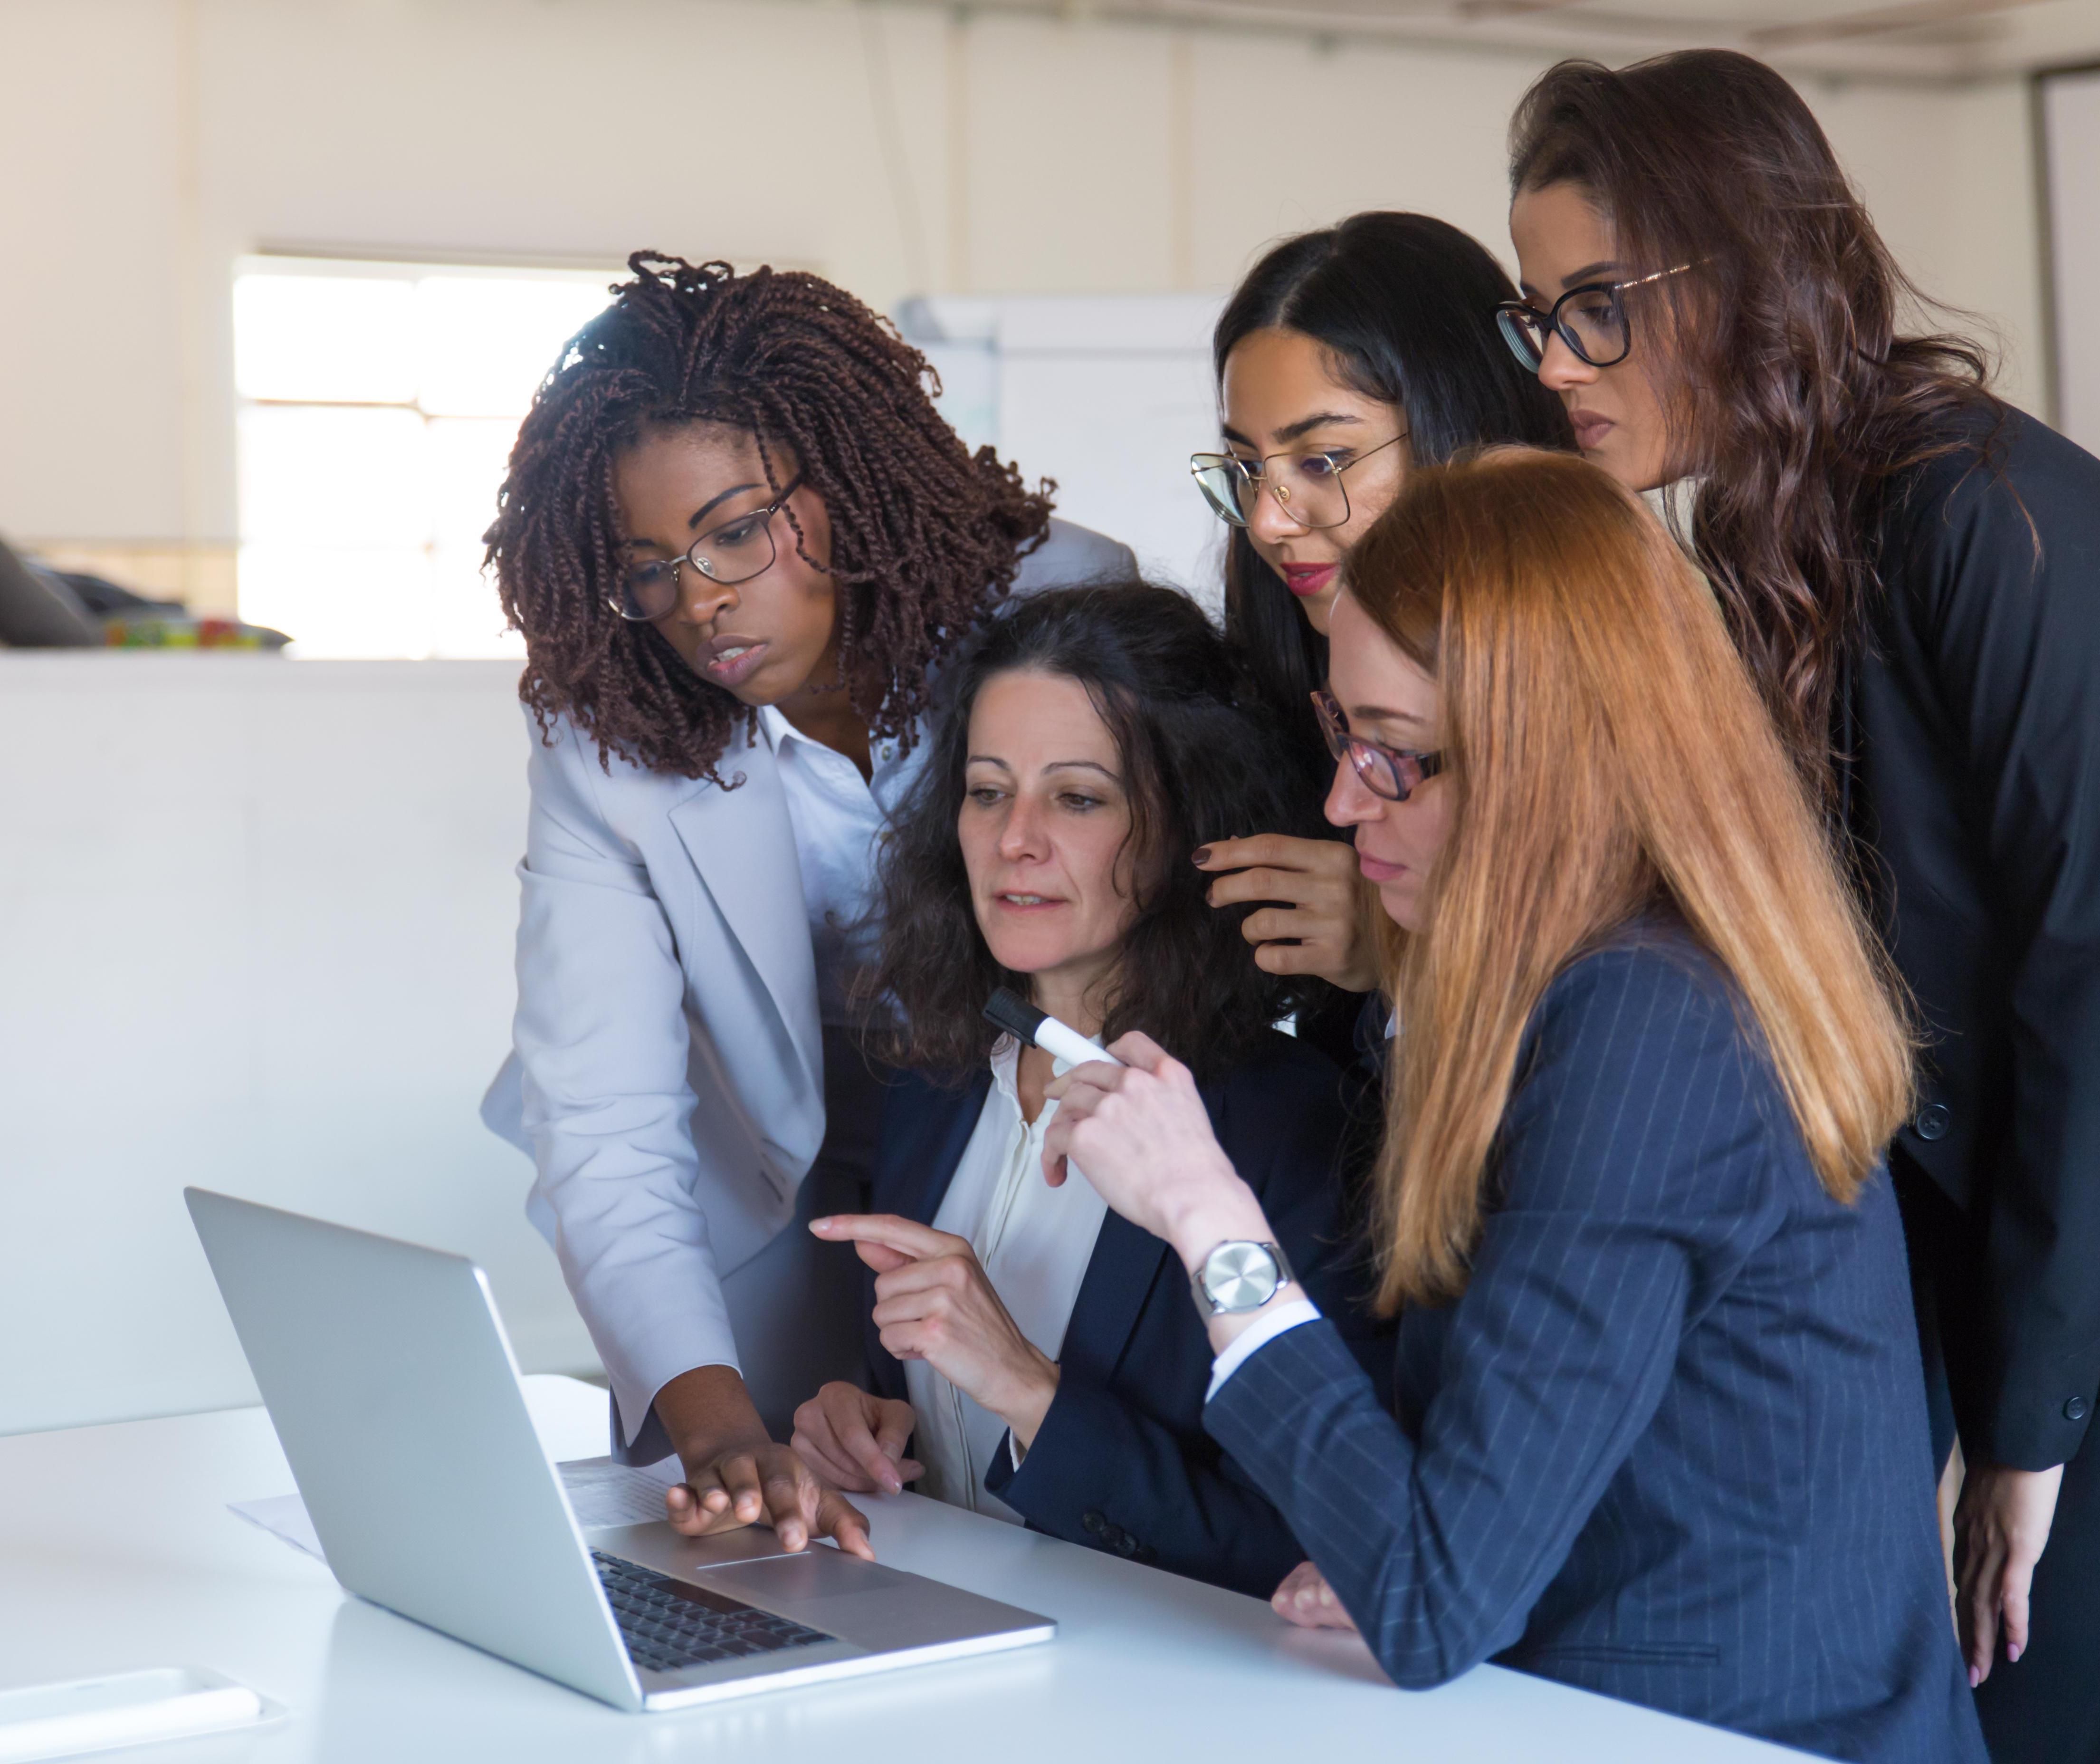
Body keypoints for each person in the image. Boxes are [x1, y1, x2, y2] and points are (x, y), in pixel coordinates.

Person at [1040, 452, 1987, 1764]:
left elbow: (1433, 1597)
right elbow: (1477, 1515)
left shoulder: (1641, 1026)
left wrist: (1209, 1219)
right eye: (1343, 734)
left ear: (1554, 761)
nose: (1339, 802)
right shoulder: (1571, 990)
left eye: (1399, 760)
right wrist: (1401, 1558)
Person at [1500, 51, 2100, 1759]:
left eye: (1598, 308)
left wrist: (2027, 1425)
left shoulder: (1983, 516)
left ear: (1747, 272)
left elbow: (2087, 980)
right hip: (1988, 1316)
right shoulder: (1772, 551)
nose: (1556, 362)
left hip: (2069, 1316)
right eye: (1538, 312)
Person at [478, 252, 1132, 1562]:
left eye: (733, 531)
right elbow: (601, 1109)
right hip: (777, 1196)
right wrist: (714, 1418)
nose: (700, 602)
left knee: (1040, 1519)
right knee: (802, 1545)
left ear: (846, 476)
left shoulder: (1058, 605)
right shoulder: (608, 727)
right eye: (647, 566)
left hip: (1030, 1155)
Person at [790, 584, 1389, 1596]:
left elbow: (1306, 1548)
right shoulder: (930, 1079)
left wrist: (1026, 1390)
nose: (1014, 838)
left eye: (1077, 797)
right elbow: (919, 1408)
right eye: (986, 790)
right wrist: (870, 1421)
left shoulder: (1296, 1127)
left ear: (1186, 821)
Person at [1188, 213, 1571, 1062]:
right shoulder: (1269, 678)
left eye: (1322, 461)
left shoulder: (1596, 696)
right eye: (1248, 468)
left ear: (1459, 430)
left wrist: (1397, 951)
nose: (1268, 522)